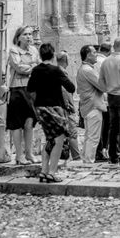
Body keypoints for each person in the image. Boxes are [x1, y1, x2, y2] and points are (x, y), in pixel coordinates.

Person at [27, 43, 76, 183]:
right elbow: (71, 88)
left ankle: (43, 171)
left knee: (49, 139)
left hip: (41, 109)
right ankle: (52, 172)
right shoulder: (56, 70)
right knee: (59, 140)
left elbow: (30, 89)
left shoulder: (36, 70)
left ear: (41, 55)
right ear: (53, 54)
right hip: (55, 109)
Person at [6, 26, 40, 164]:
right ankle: (19, 156)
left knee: (30, 122)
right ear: (18, 37)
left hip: (31, 89)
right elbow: (19, 67)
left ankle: (29, 153)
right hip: (17, 89)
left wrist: (30, 67)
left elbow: (37, 66)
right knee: (16, 124)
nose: (29, 37)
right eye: (25, 34)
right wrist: (32, 67)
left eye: (30, 34)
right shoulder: (14, 50)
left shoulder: (33, 50)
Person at [98, 36, 120, 165]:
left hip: (112, 96)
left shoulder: (106, 61)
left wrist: (108, 88)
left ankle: (113, 156)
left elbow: (100, 81)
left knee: (113, 128)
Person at [76, 45, 106, 163]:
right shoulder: (88, 70)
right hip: (93, 106)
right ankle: (89, 160)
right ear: (88, 55)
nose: (96, 54)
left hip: (88, 105)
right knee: (93, 137)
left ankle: (86, 159)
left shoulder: (84, 69)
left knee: (89, 135)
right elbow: (102, 86)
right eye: (94, 52)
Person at [56, 51, 81, 161]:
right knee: (72, 132)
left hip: (58, 106)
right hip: (66, 107)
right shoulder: (62, 72)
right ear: (66, 61)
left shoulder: (55, 71)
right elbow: (65, 91)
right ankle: (76, 156)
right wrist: (69, 105)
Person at [94, 41, 112, 161]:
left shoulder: (94, 63)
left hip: (96, 97)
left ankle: (100, 150)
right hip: (104, 97)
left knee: (98, 125)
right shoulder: (105, 62)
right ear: (109, 51)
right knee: (105, 125)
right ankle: (101, 150)